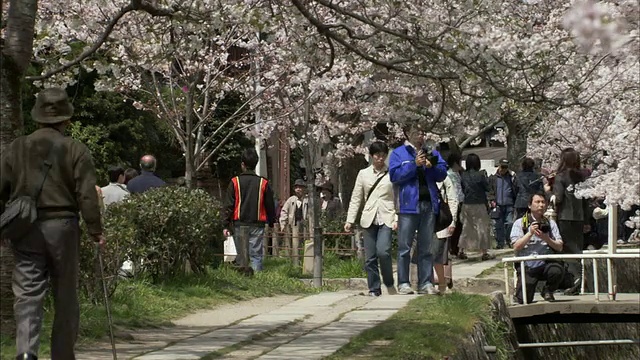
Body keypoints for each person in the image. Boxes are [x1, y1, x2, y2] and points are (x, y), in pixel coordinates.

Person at [0, 88, 105, 360]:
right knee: (65, 294)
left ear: (36, 117)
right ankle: (62, 354)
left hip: (25, 227)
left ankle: (25, 353)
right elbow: (86, 194)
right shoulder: (75, 149)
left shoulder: (16, 147)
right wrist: (95, 229)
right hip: (62, 226)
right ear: (66, 119)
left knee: (27, 292)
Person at [389, 123, 447, 295]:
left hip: (429, 204)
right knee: (404, 247)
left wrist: (432, 166)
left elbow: (442, 173)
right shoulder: (399, 153)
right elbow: (394, 176)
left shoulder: (432, 152)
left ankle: (426, 283)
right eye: (416, 132)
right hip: (408, 206)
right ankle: (403, 283)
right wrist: (413, 164)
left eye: (422, 132)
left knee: (426, 247)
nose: (420, 136)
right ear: (407, 133)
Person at [345, 141, 397, 297]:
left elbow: (398, 197)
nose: (380, 159)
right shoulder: (363, 174)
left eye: (383, 156)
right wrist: (350, 220)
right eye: (377, 155)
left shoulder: (392, 173)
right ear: (371, 156)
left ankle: (388, 281)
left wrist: (397, 217)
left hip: (387, 216)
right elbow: (356, 198)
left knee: (384, 251)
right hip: (369, 217)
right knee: (370, 257)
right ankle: (374, 288)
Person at [223, 148, 277, 272]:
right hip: (257, 223)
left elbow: (228, 205)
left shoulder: (234, 182)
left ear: (243, 164)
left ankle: (242, 276)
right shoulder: (263, 183)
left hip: (239, 223)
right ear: (256, 164)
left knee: (241, 254)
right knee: (256, 255)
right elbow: (269, 205)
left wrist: (225, 224)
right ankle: (257, 278)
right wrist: (272, 222)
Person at [510, 192, 565, 304]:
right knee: (524, 300)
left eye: (543, 202)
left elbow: (559, 247)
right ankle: (521, 294)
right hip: (527, 264)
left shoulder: (550, 223)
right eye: (537, 202)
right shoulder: (520, 223)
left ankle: (548, 291)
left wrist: (546, 238)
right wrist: (529, 233)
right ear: (530, 205)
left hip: (545, 263)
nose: (541, 205)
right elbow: (516, 246)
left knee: (557, 270)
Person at [552, 148, 590, 295]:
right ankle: (579, 281)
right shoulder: (582, 177)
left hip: (565, 217)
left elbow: (559, 198)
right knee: (577, 249)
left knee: (568, 249)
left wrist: (549, 192)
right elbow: (586, 200)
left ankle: (577, 280)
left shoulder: (560, 177)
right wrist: (587, 220)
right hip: (579, 218)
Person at [459, 153, 493, 260]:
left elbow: (463, 189)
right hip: (479, 203)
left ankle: (461, 250)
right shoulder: (481, 175)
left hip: (467, 204)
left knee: (466, 228)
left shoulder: (463, 175)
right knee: (482, 227)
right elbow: (487, 188)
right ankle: (484, 252)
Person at [432, 173, 459, 294]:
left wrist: (452, 221)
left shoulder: (444, 178)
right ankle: (427, 282)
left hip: (441, 220)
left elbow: (453, 199)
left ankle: (442, 282)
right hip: (422, 219)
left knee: (438, 252)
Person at [279, 179, 309, 266]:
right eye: (297, 187)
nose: (298, 189)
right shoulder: (291, 200)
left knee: (304, 243)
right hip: (292, 225)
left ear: (304, 189)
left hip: (304, 226)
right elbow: (284, 212)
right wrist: (283, 224)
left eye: (300, 187)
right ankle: (292, 261)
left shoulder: (307, 200)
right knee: (292, 244)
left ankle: (303, 261)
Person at [489, 158, 517, 249]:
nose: (503, 169)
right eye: (502, 167)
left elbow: (515, 189)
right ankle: (500, 243)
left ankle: (509, 240)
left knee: (509, 223)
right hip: (497, 204)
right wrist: (492, 199)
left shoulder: (512, 177)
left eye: (506, 167)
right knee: (498, 225)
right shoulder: (493, 177)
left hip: (509, 203)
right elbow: (490, 190)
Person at [445, 153, 465, 259]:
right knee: (453, 226)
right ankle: (451, 249)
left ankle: (456, 249)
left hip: (461, 201)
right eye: (459, 162)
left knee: (459, 228)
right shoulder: (449, 174)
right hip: (453, 202)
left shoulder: (458, 174)